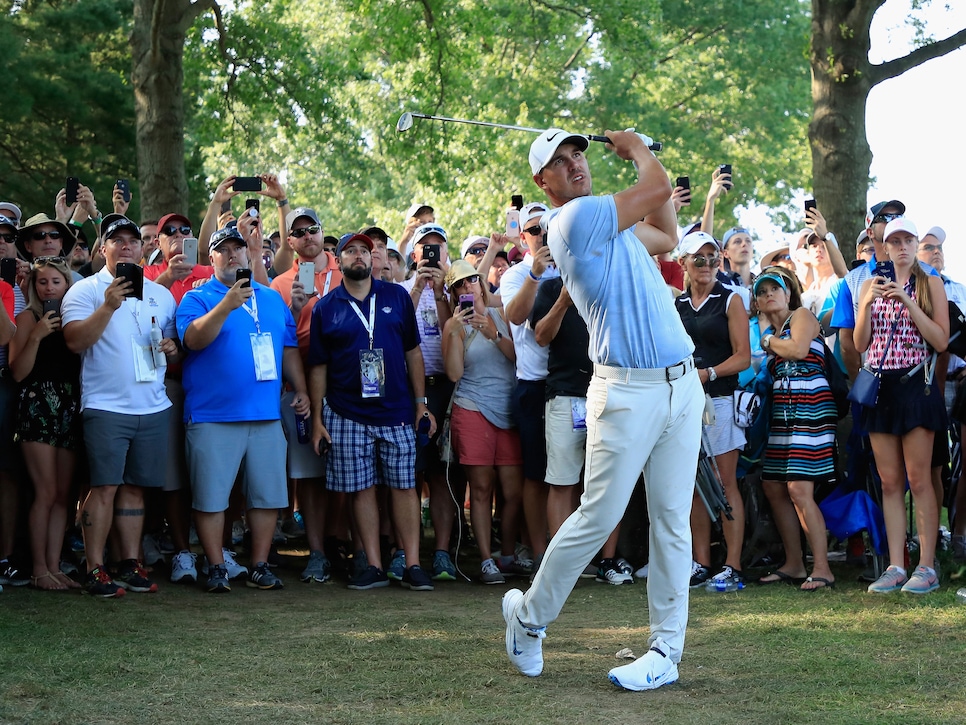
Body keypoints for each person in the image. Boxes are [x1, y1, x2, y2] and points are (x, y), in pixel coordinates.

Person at [502, 128, 703, 691]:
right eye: (560, 163)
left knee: (671, 521)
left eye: (578, 156)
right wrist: (637, 146)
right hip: (625, 391)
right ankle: (528, 617)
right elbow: (656, 184)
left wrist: (644, 162)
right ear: (543, 182)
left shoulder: (612, 226)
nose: (576, 166)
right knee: (599, 515)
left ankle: (666, 650)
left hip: (681, 385)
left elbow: (665, 231)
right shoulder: (572, 220)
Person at [178, 225, 309, 593]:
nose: (233, 254)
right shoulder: (197, 298)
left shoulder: (270, 299)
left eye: (239, 248)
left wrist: (300, 388)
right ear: (211, 257)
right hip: (212, 416)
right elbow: (193, 340)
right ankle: (216, 566)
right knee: (210, 498)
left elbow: (287, 348)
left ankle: (259, 564)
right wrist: (226, 305)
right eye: (224, 249)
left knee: (267, 497)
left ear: (249, 255)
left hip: (265, 416)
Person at [307, 232, 436, 592]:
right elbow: (317, 367)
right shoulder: (326, 307)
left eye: (365, 250)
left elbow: (413, 352)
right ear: (339, 260)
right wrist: (317, 419)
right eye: (351, 251)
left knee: (404, 487)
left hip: (396, 411)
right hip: (346, 413)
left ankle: (412, 564)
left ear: (374, 257)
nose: (359, 256)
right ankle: (375, 565)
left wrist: (421, 404)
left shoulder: (396, 296)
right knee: (360, 489)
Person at [62, 214, 180, 598]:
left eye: (133, 239)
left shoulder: (160, 294)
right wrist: (108, 306)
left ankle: (129, 563)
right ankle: (94, 567)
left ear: (143, 247)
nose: (127, 245)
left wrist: (171, 347)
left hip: (153, 404)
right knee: (105, 487)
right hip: (106, 406)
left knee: (135, 490)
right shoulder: (85, 291)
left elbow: (170, 342)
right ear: (102, 248)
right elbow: (75, 342)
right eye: (117, 239)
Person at [856, 219, 948, 595]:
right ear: (885, 246)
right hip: (880, 386)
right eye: (895, 241)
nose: (902, 247)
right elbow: (861, 343)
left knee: (919, 479)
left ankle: (926, 565)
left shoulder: (931, 283)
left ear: (915, 244)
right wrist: (866, 304)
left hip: (915, 385)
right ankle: (896, 565)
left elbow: (941, 341)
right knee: (890, 481)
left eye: (908, 240)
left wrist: (907, 300)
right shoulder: (869, 283)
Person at [674, 230, 750, 590]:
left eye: (712, 258)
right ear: (683, 263)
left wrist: (709, 373)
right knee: (693, 485)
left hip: (720, 400)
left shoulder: (731, 299)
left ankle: (732, 565)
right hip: (686, 403)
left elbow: (743, 356)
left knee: (724, 482)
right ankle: (701, 562)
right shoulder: (676, 306)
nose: (706, 265)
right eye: (698, 259)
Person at [270, 207, 343, 583]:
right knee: (311, 476)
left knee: (352, 472)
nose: (307, 237)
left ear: (322, 231)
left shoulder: (347, 271)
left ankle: (347, 546)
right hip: (300, 388)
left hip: (348, 387)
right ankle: (317, 552)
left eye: (312, 229)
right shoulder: (282, 282)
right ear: (291, 242)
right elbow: (278, 340)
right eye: (298, 233)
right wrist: (294, 309)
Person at [754, 268, 837, 590]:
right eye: (762, 292)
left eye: (775, 288)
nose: (768, 294)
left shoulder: (801, 315)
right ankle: (794, 563)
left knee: (799, 490)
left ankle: (823, 568)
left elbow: (799, 350)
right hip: (783, 414)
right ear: (757, 303)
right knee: (774, 486)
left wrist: (768, 340)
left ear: (788, 293)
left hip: (811, 409)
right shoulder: (772, 333)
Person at [441, 260, 521, 584]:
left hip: (508, 408)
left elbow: (520, 358)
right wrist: (451, 332)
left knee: (513, 491)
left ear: (481, 282)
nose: (468, 287)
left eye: (472, 280)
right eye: (459, 284)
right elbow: (454, 374)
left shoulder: (503, 313)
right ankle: (487, 560)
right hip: (472, 407)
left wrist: (494, 333)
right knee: (482, 487)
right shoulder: (455, 324)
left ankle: (509, 554)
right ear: (453, 293)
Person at [8, 257, 81, 590]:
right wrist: (36, 336)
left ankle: (54, 566)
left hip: (69, 405)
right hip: (37, 404)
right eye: (42, 282)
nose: (49, 287)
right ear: (33, 286)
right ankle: (38, 569)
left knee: (64, 494)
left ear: (67, 284)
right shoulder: (26, 318)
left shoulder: (74, 318)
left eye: (56, 281)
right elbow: (18, 372)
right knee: (46, 490)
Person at [500, 201, 560, 574]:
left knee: (577, 475)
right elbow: (515, 316)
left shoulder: (574, 264)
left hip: (576, 383)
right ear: (523, 237)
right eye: (535, 230)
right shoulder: (516, 274)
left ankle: (573, 553)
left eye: (548, 228)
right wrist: (536, 275)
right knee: (537, 476)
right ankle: (541, 554)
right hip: (535, 386)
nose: (543, 235)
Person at [400, 223, 460, 581]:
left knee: (441, 474)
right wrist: (419, 286)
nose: (431, 253)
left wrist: (440, 293)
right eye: (426, 247)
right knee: (408, 472)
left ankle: (440, 552)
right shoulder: (402, 289)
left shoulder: (455, 291)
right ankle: (405, 552)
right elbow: (397, 328)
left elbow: (452, 330)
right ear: (414, 254)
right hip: (409, 390)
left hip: (446, 388)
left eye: (438, 247)